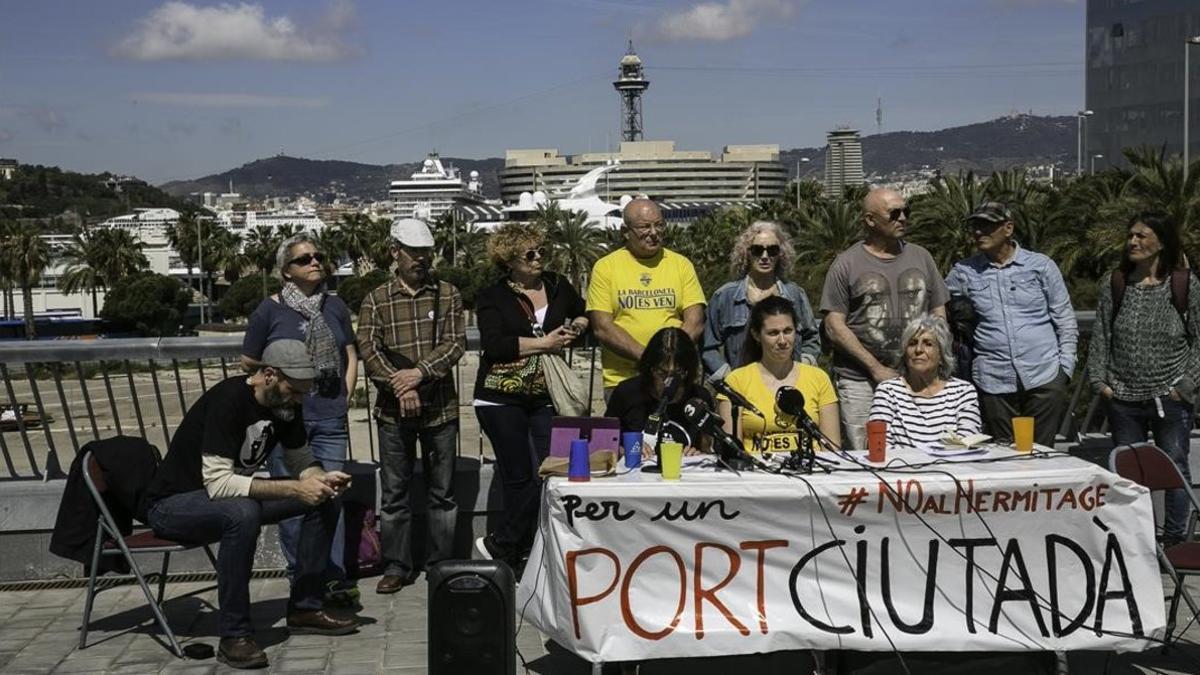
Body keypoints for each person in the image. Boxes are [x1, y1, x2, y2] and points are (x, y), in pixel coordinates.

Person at [144, 340, 357, 669]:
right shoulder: (228, 401)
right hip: (173, 504)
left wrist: (320, 479)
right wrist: (295, 489)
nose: (299, 400)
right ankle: (234, 636)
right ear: (269, 375)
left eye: (303, 393)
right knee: (242, 514)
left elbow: (300, 457)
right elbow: (219, 483)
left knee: (324, 498)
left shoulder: (284, 403)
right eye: (294, 391)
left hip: (224, 498)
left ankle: (304, 608)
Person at [242, 232, 359, 605]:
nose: (314, 263)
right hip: (287, 420)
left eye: (318, 256)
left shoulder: (334, 306)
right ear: (285, 271)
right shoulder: (269, 310)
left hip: (329, 416)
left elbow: (350, 354)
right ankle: (301, 578)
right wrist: (282, 388)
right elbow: (249, 363)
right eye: (304, 259)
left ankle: (333, 578)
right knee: (292, 501)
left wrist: (345, 394)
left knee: (331, 498)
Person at [357, 218, 466, 594]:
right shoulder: (376, 299)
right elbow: (369, 350)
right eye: (413, 252)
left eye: (426, 252)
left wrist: (417, 374)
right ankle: (397, 565)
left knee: (443, 493)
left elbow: (454, 344)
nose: (421, 259)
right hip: (392, 412)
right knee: (394, 494)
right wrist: (400, 386)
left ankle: (440, 564)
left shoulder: (448, 293)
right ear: (394, 252)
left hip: (440, 410)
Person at [471, 223, 587, 570]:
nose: (539, 259)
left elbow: (583, 312)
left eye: (541, 251)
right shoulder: (492, 296)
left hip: (546, 393)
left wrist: (576, 328)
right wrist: (544, 344)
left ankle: (506, 544)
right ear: (509, 262)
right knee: (519, 475)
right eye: (530, 254)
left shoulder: (557, 284)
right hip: (499, 395)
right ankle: (516, 550)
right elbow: (495, 344)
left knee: (552, 470)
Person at [1087, 211, 1199, 545]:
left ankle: (1176, 543)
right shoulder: (1117, 282)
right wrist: (1099, 383)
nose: (1133, 242)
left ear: (1161, 242)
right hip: (1122, 398)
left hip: (1170, 398)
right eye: (1131, 235)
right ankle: (1138, 542)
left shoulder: (1183, 284)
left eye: (1142, 236)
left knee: (1175, 468)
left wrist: (1185, 385)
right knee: (1128, 474)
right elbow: (1102, 334)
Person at [820, 187, 949, 449]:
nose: (903, 218)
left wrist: (933, 363)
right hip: (860, 381)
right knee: (867, 453)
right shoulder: (846, 264)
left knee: (920, 449)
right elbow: (834, 325)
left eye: (906, 211)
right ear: (870, 220)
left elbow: (938, 313)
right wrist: (875, 368)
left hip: (916, 376)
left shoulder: (922, 257)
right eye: (894, 213)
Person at [945, 201, 1077, 447]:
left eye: (986, 226)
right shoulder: (964, 272)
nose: (978, 232)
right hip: (993, 381)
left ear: (1008, 228)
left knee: (1041, 453)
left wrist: (1064, 370)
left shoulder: (1041, 266)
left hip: (1044, 376)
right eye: (975, 226)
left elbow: (1064, 318)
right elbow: (937, 302)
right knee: (1002, 454)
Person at [587, 198, 706, 398]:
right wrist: (651, 360)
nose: (654, 232)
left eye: (659, 225)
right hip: (623, 381)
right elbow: (602, 327)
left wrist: (670, 361)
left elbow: (695, 320)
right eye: (644, 227)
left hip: (674, 380)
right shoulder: (605, 267)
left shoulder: (681, 265)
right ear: (625, 232)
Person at [717, 296, 840, 454]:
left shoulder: (819, 378)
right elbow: (731, 451)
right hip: (756, 475)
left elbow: (832, 447)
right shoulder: (736, 381)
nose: (782, 340)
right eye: (773, 333)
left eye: (788, 331)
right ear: (756, 335)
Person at [702, 220, 820, 379]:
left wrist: (802, 368)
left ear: (781, 254)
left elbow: (811, 338)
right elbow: (707, 346)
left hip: (788, 386)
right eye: (757, 250)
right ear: (746, 253)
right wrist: (729, 378)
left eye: (772, 250)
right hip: (743, 391)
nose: (765, 256)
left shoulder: (795, 295)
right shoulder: (724, 297)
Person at [869, 315, 982, 449]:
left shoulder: (963, 392)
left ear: (941, 355)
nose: (918, 350)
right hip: (901, 467)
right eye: (912, 343)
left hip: (951, 467)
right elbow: (879, 445)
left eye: (928, 344)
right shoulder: (888, 391)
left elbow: (967, 442)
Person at [604, 327, 713, 456]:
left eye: (678, 373)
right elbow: (605, 442)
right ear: (650, 368)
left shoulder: (699, 397)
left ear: (688, 371)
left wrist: (699, 453)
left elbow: (707, 448)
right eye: (662, 373)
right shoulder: (627, 393)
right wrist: (627, 449)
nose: (669, 381)